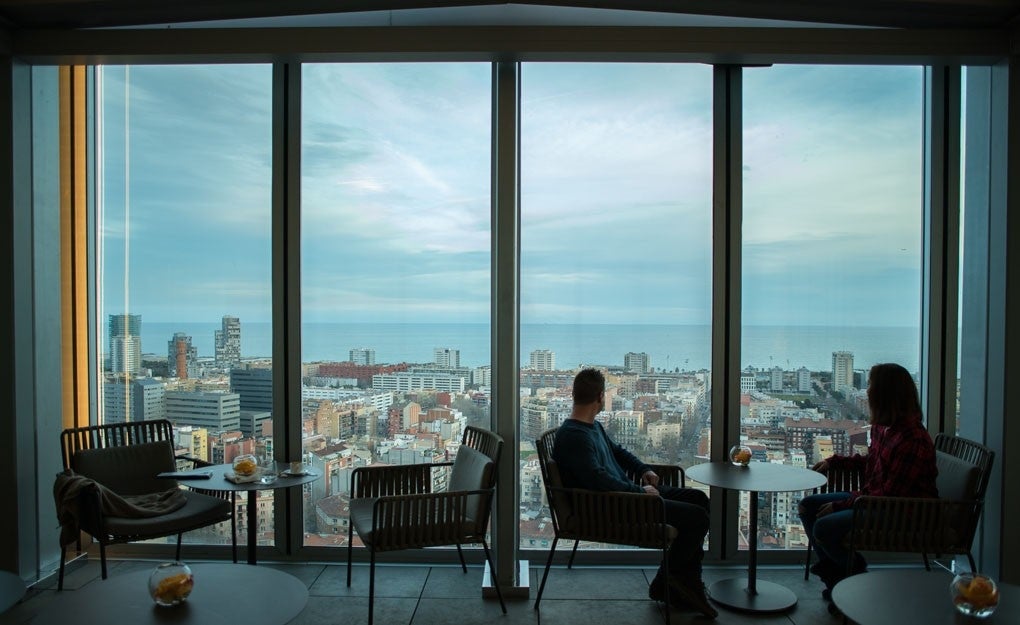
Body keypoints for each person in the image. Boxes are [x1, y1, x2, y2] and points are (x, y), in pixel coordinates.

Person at [553, 368, 716, 618]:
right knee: (697, 518)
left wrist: (643, 468)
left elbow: (617, 452)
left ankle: (676, 581)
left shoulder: (590, 427)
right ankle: (677, 581)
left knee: (699, 499)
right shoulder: (574, 436)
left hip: (625, 496)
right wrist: (639, 491)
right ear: (600, 396)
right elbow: (598, 479)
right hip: (616, 506)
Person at [799, 362, 938, 601]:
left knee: (824, 526)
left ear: (884, 395)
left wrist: (843, 504)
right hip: (874, 499)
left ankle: (851, 575)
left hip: (902, 512)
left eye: (872, 386)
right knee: (808, 506)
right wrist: (836, 462)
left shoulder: (911, 438)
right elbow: (873, 463)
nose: (867, 391)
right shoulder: (885, 428)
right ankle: (840, 578)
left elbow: (890, 496)